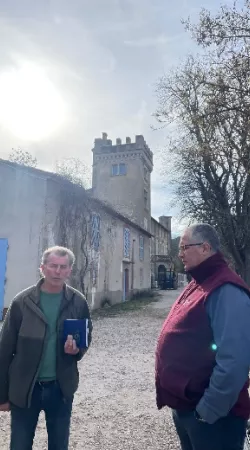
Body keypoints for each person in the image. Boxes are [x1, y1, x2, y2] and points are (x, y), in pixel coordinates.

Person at [155, 224, 250, 450]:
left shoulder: (226, 289)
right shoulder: (200, 282)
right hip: (189, 409)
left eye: (184, 247)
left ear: (206, 248)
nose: (180, 254)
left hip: (214, 419)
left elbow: (234, 361)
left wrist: (208, 411)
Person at [0, 246, 92, 450]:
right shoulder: (22, 302)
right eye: (53, 266)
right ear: (42, 268)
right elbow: (4, 351)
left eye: (63, 267)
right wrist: (2, 395)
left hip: (61, 388)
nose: (57, 271)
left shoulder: (78, 302)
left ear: (69, 270)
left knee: (59, 445)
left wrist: (77, 350)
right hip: (25, 389)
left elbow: (86, 337)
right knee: (20, 445)